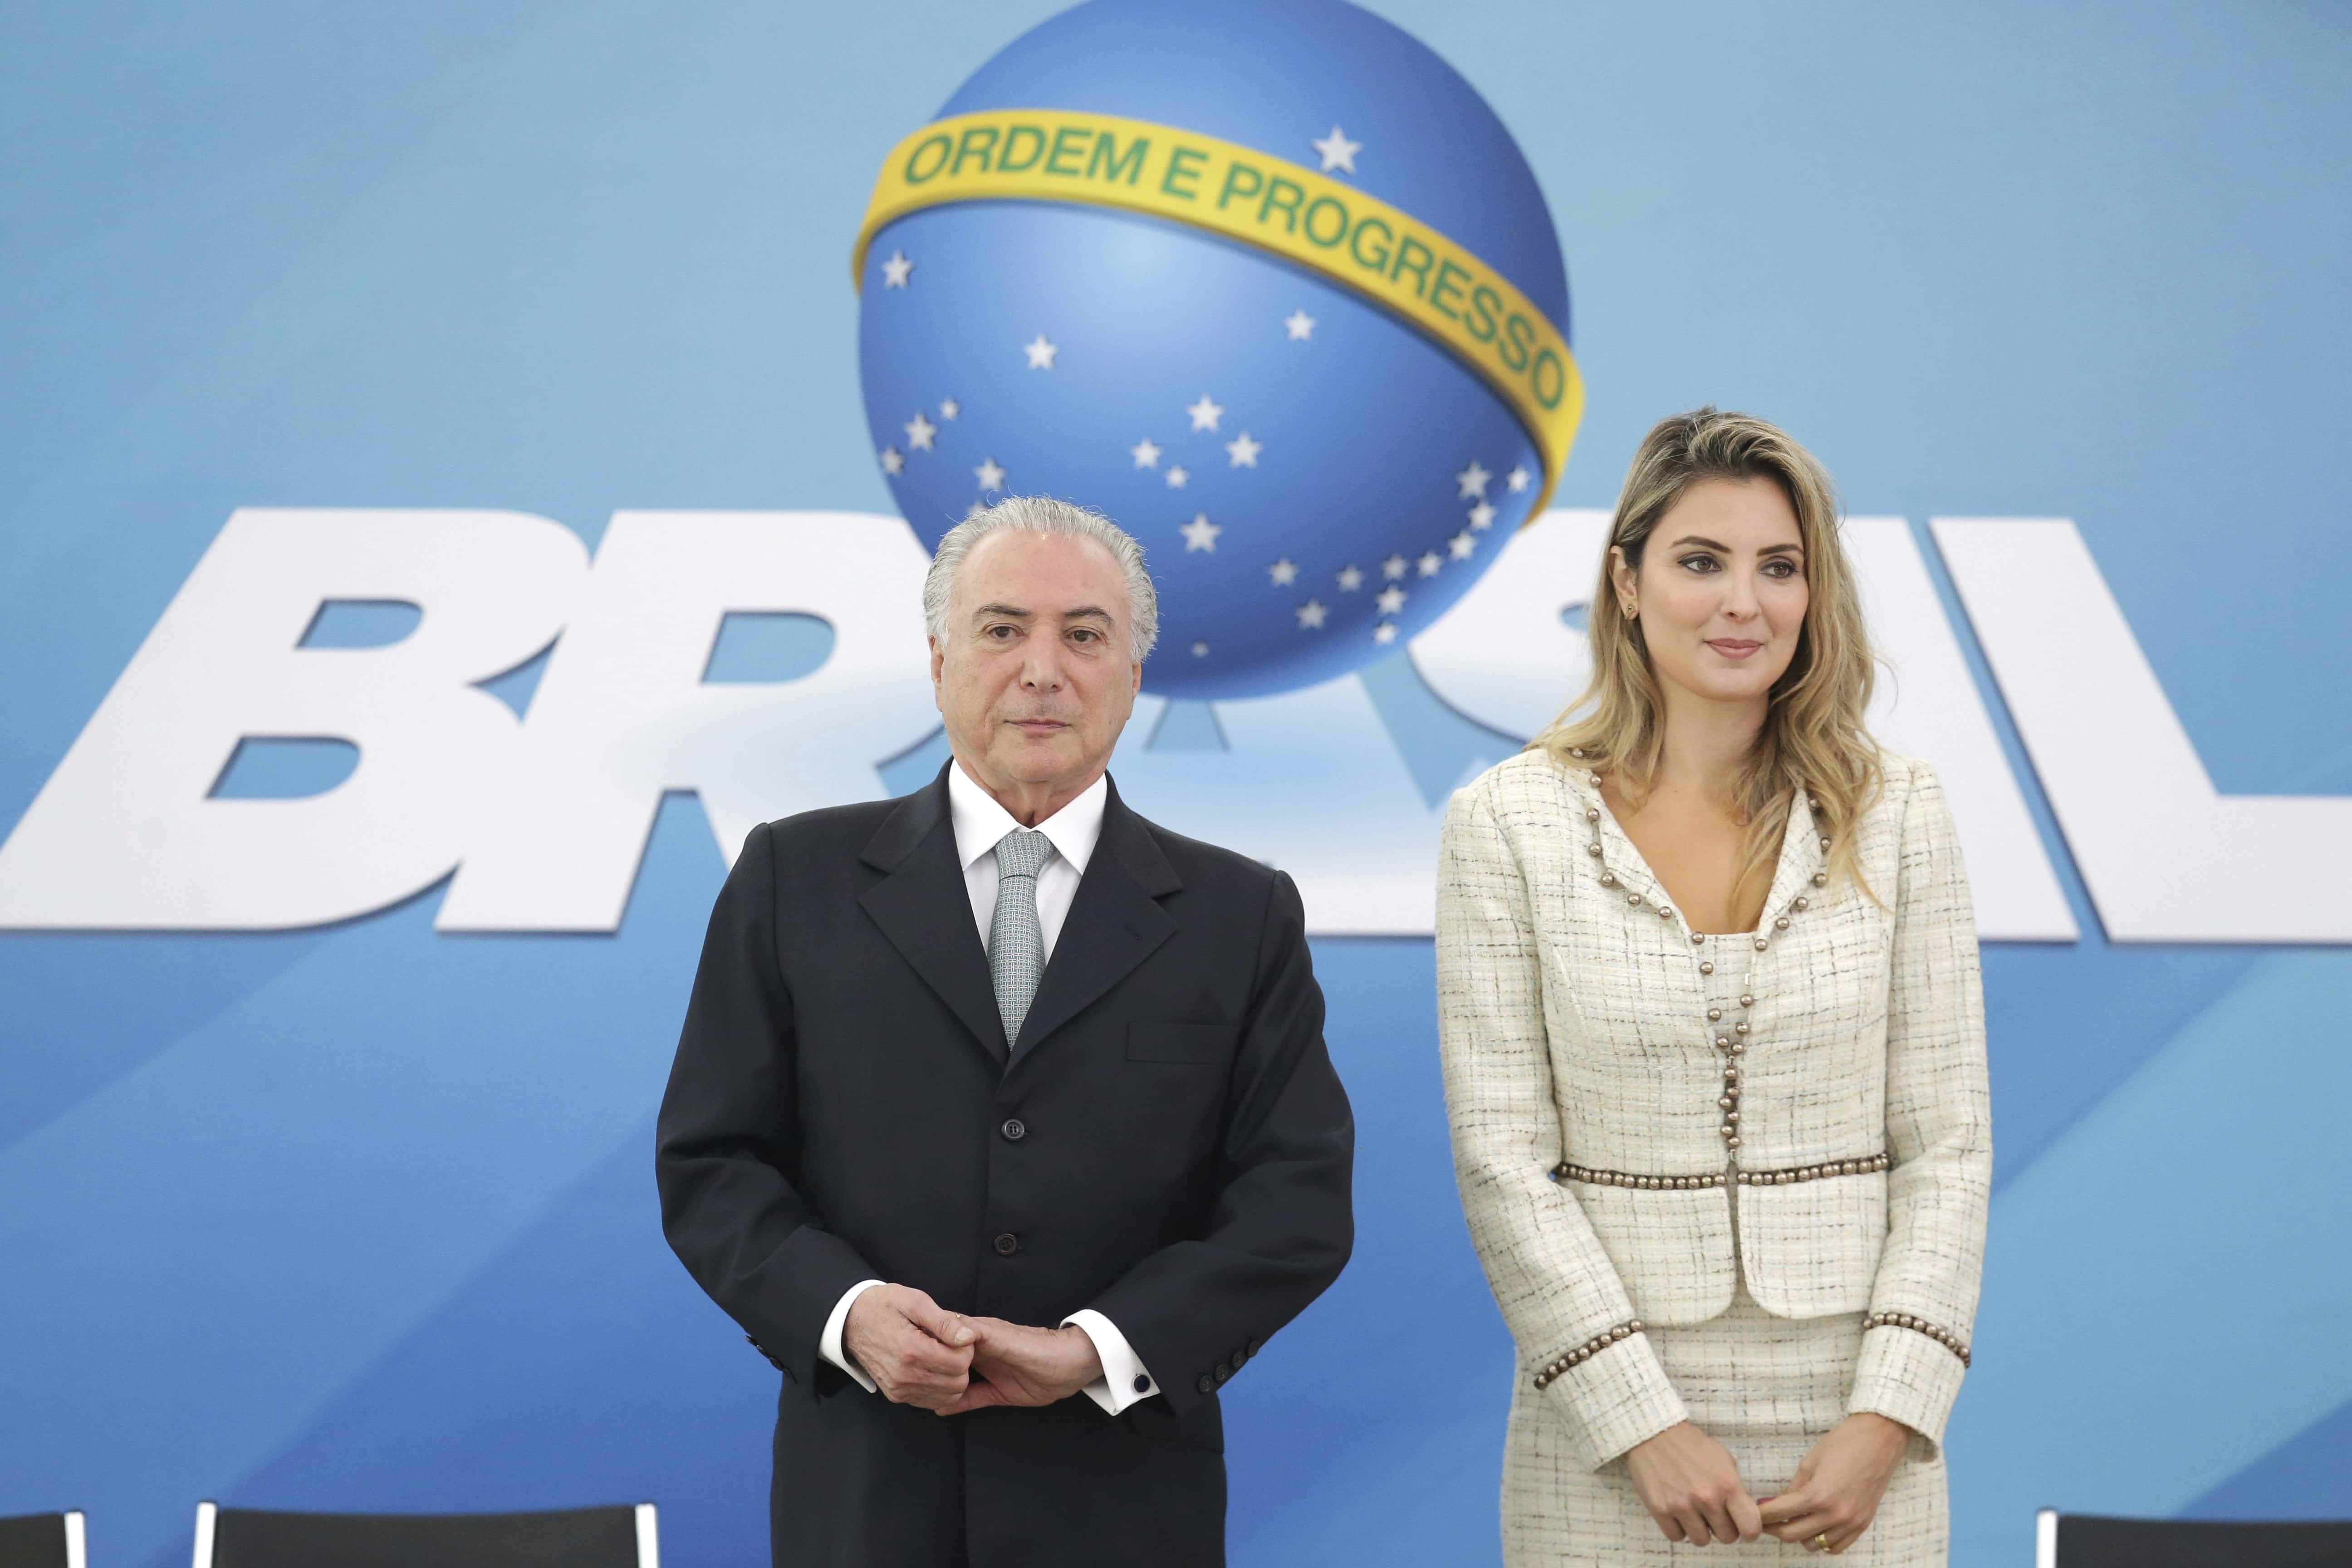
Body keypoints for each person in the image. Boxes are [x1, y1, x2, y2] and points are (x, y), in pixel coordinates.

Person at [655, 495, 1354, 1568]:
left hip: (1122, 1502)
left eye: (1085, 635)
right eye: (1001, 630)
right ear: (939, 661)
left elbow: (1294, 1205)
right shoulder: (794, 878)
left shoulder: (1241, 913)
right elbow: (714, 1164)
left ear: (1132, 676)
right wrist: (846, 1313)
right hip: (865, 1493)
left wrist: (1093, 1350)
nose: (1043, 669)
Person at [1436, 408, 1990, 1563]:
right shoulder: (1508, 825)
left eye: (1778, 568)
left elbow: (1948, 1146)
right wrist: (1641, 1424)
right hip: (1607, 1437)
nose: (1744, 602)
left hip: (1858, 1437)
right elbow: (1502, 1163)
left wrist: (1890, 1416)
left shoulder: (1900, 814)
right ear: (1626, 582)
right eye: (1702, 562)